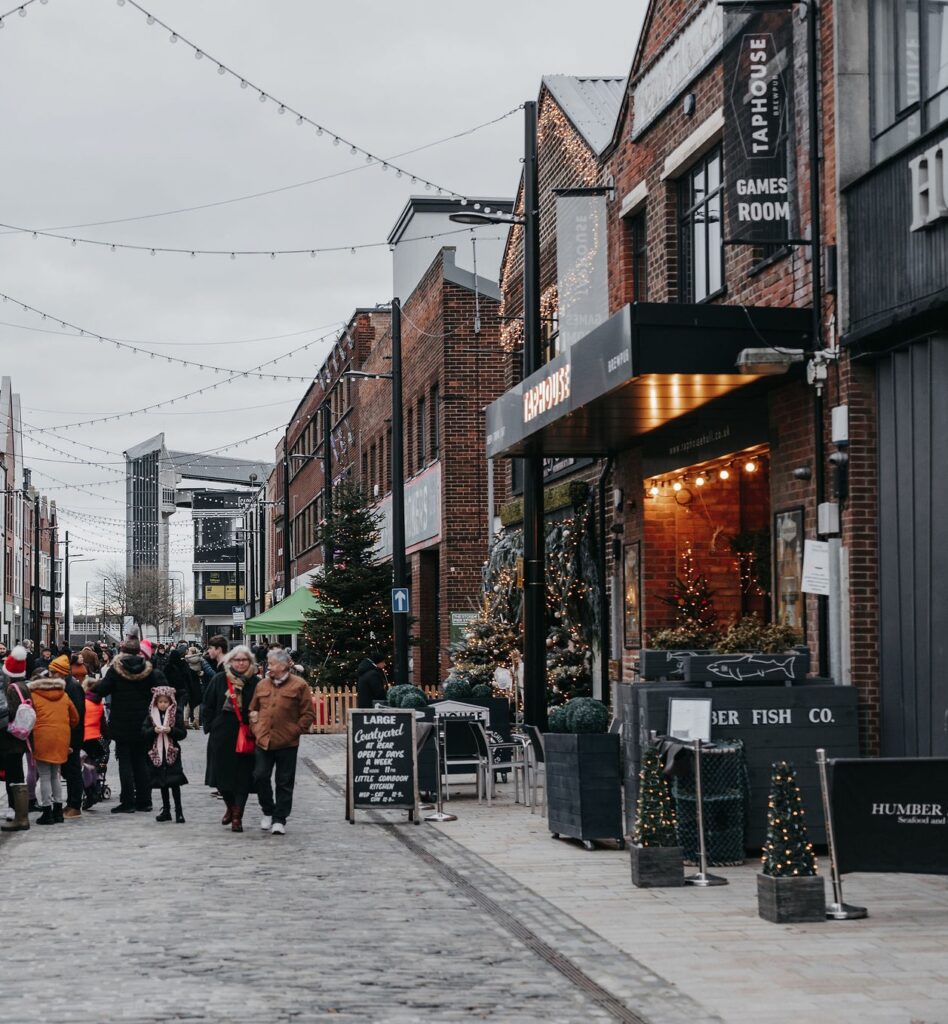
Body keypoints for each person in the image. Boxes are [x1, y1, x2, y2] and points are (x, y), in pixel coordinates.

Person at [94, 635, 169, 814]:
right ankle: (145, 800)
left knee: (125, 763)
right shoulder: (149, 670)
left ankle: (127, 801)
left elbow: (102, 690)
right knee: (142, 761)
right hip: (144, 722)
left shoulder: (115, 670)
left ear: (123, 651)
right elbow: (162, 691)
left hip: (121, 723)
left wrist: (90, 685)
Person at [248, 649, 315, 835]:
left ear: (284, 665)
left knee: (284, 781)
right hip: (264, 740)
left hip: (287, 742)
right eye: (268, 663)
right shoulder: (262, 685)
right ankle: (268, 810)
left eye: (272, 664)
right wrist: (256, 728)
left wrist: (295, 731)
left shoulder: (299, 685)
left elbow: (308, 713)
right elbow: (253, 709)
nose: (268, 667)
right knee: (260, 776)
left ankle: (280, 818)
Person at [203, 646, 259, 833]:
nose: (241, 663)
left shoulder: (256, 682)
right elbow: (208, 704)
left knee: (242, 777)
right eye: (237, 660)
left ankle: (237, 816)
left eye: (244, 660)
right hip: (222, 734)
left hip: (246, 733)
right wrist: (211, 725)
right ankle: (230, 806)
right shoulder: (220, 679)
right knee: (221, 777)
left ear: (250, 662)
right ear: (230, 662)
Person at [29, 667, 79, 825]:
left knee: (44, 775)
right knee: (55, 774)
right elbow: (75, 718)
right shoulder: (63, 695)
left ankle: (47, 812)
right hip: (61, 738)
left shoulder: (34, 696)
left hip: (42, 737)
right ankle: (58, 810)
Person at [142, 685, 187, 823]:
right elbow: (144, 732)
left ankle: (179, 811)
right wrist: (153, 730)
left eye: (165, 702)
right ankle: (166, 810)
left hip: (171, 752)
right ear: (156, 702)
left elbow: (182, 733)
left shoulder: (176, 714)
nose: (162, 704)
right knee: (163, 783)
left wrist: (171, 731)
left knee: (174, 783)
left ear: (170, 702)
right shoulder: (151, 715)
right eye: (160, 702)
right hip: (157, 753)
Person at [48, 654, 85, 819]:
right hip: (65, 734)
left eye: (53, 672)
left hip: (72, 736)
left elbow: (77, 715)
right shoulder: (64, 685)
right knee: (69, 771)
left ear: (61, 672)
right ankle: (71, 802)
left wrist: (72, 741)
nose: (51, 675)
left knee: (73, 770)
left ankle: (75, 804)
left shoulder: (72, 687)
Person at [0, 646, 33, 832]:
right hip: (22, 737)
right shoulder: (25, 687)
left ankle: (20, 815)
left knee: (14, 774)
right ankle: (20, 813)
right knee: (17, 772)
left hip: (11, 738)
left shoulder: (12, 689)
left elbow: (10, 713)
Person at [164, 646, 203, 730]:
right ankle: (180, 723)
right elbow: (188, 676)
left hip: (171, 691)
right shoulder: (182, 664)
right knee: (180, 708)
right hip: (182, 690)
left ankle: (175, 723)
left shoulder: (168, 666)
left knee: (174, 708)